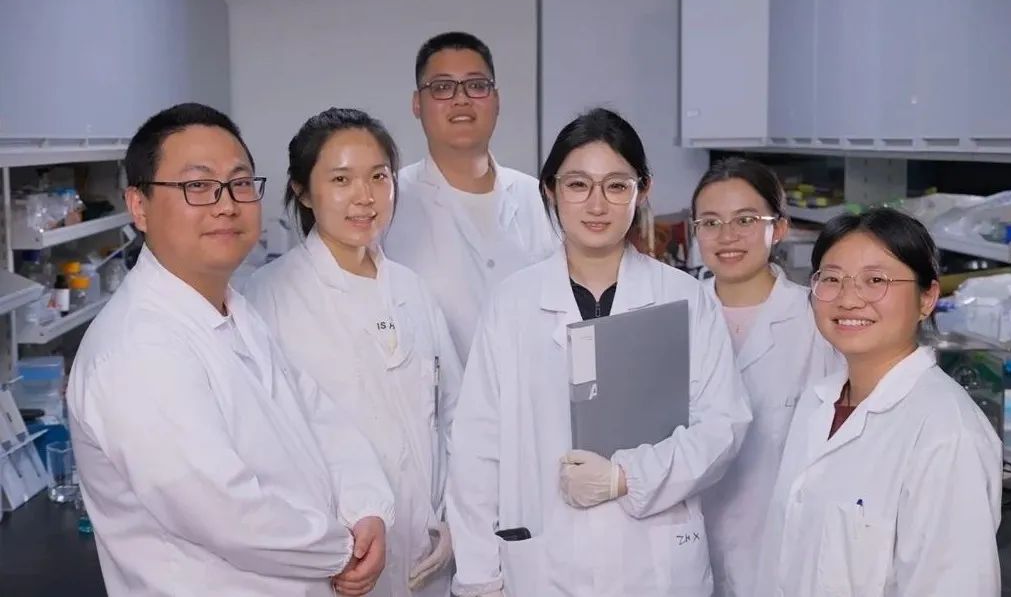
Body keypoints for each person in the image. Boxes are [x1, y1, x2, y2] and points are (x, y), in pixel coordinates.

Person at [65, 103, 394, 597]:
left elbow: (318, 417)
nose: (226, 204)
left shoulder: (234, 313)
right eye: (197, 186)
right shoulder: (136, 349)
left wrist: (366, 506)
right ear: (139, 206)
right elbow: (225, 513)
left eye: (240, 183)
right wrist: (342, 551)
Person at [446, 108, 752, 597]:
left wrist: (627, 477)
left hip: (654, 564)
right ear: (550, 190)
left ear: (642, 190)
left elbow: (722, 427)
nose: (596, 204)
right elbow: (476, 448)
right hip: (544, 563)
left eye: (616, 186)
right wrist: (479, 579)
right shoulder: (513, 303)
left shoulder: (684, 299)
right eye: (577, 185)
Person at [245, 108, 462, 597]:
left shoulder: (412, 290)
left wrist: (455, 515)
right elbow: (268, 447)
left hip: (427, 552)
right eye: (341, 179)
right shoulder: (269, 298)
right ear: (302, 190)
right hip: (339, 558)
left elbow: (453, 412)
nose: (365, 197)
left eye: (378, 177)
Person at [754, 208, 1002, 596]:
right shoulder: (818, 403)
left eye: (875, 281)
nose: (849, 299)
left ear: (927, 298)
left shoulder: (947, 435)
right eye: (832, 279)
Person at [689, 157, 842, 597]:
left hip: (782, 552)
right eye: (710, 222)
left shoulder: (818, 321)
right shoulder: (674, 315)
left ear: (780, 228)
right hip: (687, 549)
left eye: (746, 220)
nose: (727, 236)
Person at [384, 31, 557, 364]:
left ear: (497, 100)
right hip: (436, 396)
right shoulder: (390, 203)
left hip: (536, 391)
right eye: (442, 87)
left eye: (476, 85)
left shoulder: (540, 199)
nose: (461, 99)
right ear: (417, 104)